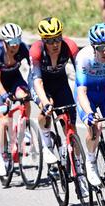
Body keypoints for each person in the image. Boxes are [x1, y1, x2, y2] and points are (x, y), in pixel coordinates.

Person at [28, 17, 81, 186]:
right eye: (50, 41)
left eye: (58, 38)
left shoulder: (70, 46)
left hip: (60, 83)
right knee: (46, 109)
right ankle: (47, 144)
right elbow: (37, 81)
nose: (55, 44)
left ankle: (78, 166)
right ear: (43, 40)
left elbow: (81, 74)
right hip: (41, 84)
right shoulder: (36, 51)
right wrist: (45, 102)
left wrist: (82, 96)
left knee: (70, 124)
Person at [74, 23, 105, 187]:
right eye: (101, 48)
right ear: (93, 47)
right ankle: (91, 163)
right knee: (95, 127)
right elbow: (81, 93)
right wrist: (89, 113)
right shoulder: (84, 57)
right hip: (88, 95)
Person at [0, 23, 31, 176]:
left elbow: (34, 69)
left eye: (17, 42)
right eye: (12, 43)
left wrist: (33, 87)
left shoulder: (23, 48)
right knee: (3, 119)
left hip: (14, 79)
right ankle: (0, 157)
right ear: (5, 42)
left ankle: (25, 128)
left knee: (26, 97)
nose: (15, 46)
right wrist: (5, 95)